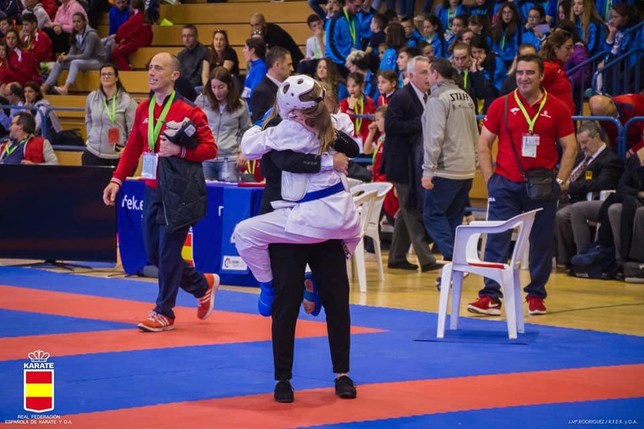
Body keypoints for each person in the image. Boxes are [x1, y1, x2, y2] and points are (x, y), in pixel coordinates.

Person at [239, 76, 360, 403]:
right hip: (286, 221)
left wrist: (325, 131)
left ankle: (342, 373)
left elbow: (354, 149)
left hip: (325, 222)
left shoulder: (329, 124)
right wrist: (327, 159)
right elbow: (285, 160)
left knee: (338, 298)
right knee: (286, 301)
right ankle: (283, 379)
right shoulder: (275, 128)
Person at [102, 52, 219, 332]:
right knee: (154, 253)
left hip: (178, 192)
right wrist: (117, 180)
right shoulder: (143, 108)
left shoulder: (190, 110)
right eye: (150, 67)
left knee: (167, 252)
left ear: (174, 75)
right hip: (151, 188)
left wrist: (180, 150)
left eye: (158, 68)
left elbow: (211, 149)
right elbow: (132, 147)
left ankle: (164, 311)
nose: (152, 72)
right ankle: (202, 285)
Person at [470, 53, 577, 316]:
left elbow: (570, 146)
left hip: (541, 185)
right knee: (496, 238)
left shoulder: (557, 107)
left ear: (541, 76)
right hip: (505, 184)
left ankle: (537, 295)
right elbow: (484, 143)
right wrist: (490, 179)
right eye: (519, 72)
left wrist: (561, 182)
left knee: (541, 242)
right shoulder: (501, 105)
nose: (524, 77)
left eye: (530, 73)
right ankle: (490, 296)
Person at [381, 55, 440, 272]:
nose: (428, 76)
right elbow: (392, 126)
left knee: (405, 211)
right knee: (411, 209)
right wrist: (422, 122)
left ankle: (396, 256)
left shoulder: (427, 96)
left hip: (416, 162)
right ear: (411, 75)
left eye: (429, 72)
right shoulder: (401, 97)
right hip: (401, 163)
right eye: (424, 72)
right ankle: (426, 259)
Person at [421, 57, 479, 263]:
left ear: (436, 74)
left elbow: (434, 136)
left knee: (432, 215)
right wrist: (475, 159)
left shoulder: (438, 97)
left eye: (428, 73)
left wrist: (428, 170)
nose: (427, 77)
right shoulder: (465, 96)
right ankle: (457, 264)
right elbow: (475, 131)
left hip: (446, 169)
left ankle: (456, 256)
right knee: (454, 217)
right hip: (466, 168)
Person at [555, 121, 623, 273]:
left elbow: (600, 183)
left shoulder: (611, 160)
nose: (582, 147)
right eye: (580, 143)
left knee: (562, 215)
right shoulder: (581, 157)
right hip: (573, 199)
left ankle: (582, 257)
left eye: (585, 142)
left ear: (597, 137)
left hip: (595, 201)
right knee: (545, 211)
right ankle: (562, 260)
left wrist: (569, 186)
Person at [196, 66, 251, 181]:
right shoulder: (202, 101)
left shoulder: (241, 105)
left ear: (229, 85)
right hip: (206, 157)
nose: (217, 91)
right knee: (206, 196)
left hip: (230, 158)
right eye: (213, 87)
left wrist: (243, 153)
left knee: (229, 196)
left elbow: (246, 131)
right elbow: (194, 125)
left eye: (221, 87)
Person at [83, 63, 137, 167]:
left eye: (109, 74)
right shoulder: (92, 97)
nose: (106, 76)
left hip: (117, 156)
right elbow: (88, 118)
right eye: (103, 74)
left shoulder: (128, 101)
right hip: (93, 153)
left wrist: (128, 149)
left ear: (116, 78)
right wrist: (90, 135)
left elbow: (133, 129)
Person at [42, 12, 106, 95]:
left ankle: (65, 88)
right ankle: (46, 87)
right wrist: (64, 57)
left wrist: (68, 57)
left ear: (84, 22)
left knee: (75, 62)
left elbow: (86, 55)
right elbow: (71, 53)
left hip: (97, 61)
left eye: (78, 21)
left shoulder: (91, 35)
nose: (76, 24)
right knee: (60, 61)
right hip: (87, 61)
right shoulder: (75, 34)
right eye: (74, 22)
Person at [106, 0, 153, 71]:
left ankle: (127, 70)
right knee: (122, 47)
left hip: (138, 41)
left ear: (131, 6)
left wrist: (117, 39)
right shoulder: (142, 16)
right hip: (143, 40)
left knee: (116, 52)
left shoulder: (136, 17)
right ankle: (128, 65)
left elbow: (124, 29)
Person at [250, 46, 292, 124]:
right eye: (289, 65)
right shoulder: (261, 92)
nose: (292, 69)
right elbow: (261, 124)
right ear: (277, 65)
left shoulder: (288, 88)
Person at [539, 29, 575, 115]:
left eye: (572, 47)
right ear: (556, 48)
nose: (572, 51)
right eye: (567, 48)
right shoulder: (548, 68)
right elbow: (529, 90)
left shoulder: (558, 67)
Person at [324, 0, 363, 78]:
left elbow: (357, 41)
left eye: (360, 6)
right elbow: (331, 46)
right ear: (348, 2)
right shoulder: (335, 20)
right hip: (338, 64)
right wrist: (344, 61)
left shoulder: (356, 19)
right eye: (357, 6)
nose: (359, 10)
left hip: (353, 63)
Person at [176, 25, 207, 94]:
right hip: (182, 87)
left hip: (197, 88)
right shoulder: (181, 54)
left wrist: (185, 87)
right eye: (184, 36)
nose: (186, 39)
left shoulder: (205, 52)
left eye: (189, 36)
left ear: (196, 37)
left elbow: (199, 78)